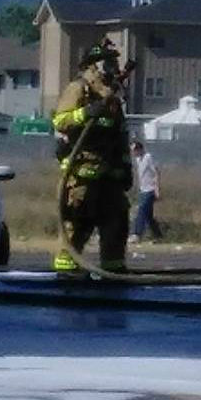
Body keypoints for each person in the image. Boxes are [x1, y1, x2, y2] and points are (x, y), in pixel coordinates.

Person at [50, 38, 135, 275]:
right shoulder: (79, 89)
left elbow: (121, 136)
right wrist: (85, 113)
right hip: (80, 175)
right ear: (93, 66)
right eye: (108, 63)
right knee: (76, 225)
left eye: (114, 63)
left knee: (116, 224)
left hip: (109, 175)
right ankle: (66, 272)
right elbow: (60, 121)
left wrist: (126, 169)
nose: (113, 68)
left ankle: (113, 270)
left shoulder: (112, 99)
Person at [131, 139, 167, 242]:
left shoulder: (148, 157)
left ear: (140, 149)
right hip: (143, 189)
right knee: (148, 215)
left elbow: (156, 172)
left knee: (141, 210)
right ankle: (158, 236)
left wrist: (157, 189)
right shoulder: (138, 160)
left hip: (150, 189)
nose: (134, 153)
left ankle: (136, 234)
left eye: (135, 150)